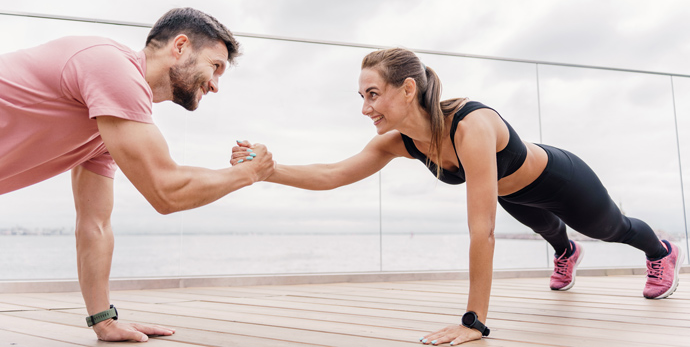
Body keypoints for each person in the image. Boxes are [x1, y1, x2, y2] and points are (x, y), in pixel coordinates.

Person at [231, 48, 684, 346]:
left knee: (610, 228)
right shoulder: (398, 140)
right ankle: (567, 253)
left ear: (407, 90)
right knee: (550, 232)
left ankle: (662, 251)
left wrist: (474, 321)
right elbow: (333, 174)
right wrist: (267, 171)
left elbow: (482, 232)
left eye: (373, 94)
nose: (365, 108)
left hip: (562, 179)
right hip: (514, 193)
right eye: (362, 96)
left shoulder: (470, 126)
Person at [0, 7, 275, 342]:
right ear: (180, 46)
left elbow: (95, 224)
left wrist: (104, 320)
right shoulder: (110, 67)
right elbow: (167, 191)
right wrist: (251, 172)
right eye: (214, 67)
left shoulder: (108, 122)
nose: (216, 85)